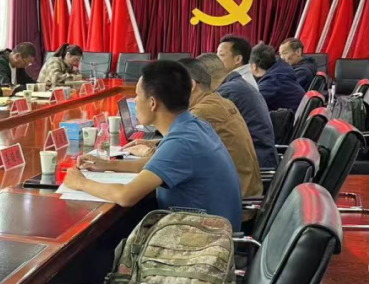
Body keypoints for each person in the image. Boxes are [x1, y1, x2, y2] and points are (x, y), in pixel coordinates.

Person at [62, 60, 243, 228]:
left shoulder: (181, 142)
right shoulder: (194, 124)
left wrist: (81, 182)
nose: (134, 100)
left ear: (153, 103)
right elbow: (155, 164)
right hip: (212, 230)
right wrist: (108, 165)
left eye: (137, 95)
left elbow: (126, 196)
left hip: (203, 240)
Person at [178, 58, 262, 198]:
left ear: (191, 85)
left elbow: (172, 157)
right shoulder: (221, 102)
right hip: (244, 191)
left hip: (231, 201)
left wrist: (146, 150)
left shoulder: (201, 112)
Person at [199, 53, 278, 172]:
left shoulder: (227, 93)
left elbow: (201, 134)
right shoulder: (237, 84)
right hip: (260, 158)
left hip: (254, 166)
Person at [250, 43, 306, 113]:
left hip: (291, 118)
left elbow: (248, 104)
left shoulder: (272, 83)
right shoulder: (280, 71)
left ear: (254, 66)